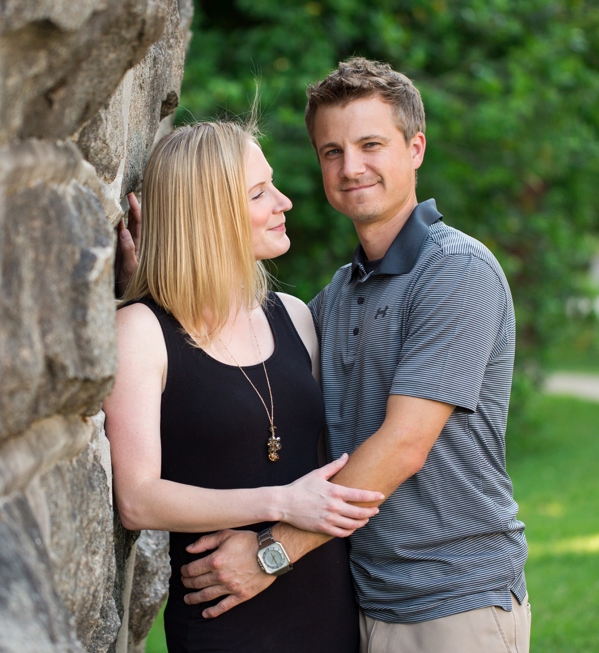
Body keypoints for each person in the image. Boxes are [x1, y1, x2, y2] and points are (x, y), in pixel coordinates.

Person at [176, 58, 531, 653]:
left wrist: (270, 553)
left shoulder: (456, 271)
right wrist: (157, 276)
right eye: (332, 152)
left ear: (415, 148)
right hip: (361, 599)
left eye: (371, 145)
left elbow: (403, 446)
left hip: (455, 601)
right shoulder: (341, 294)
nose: (351, 167)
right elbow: (238, 344)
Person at [103, 121, 385, 653]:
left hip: (327, 607)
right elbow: (138, 500)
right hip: (225, 615)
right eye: (259, 193)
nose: (284, 202)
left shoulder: (296, 318)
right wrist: (283, 502)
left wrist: (282, 534)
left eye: (271, 184)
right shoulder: (141, 332)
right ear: (208, 216)